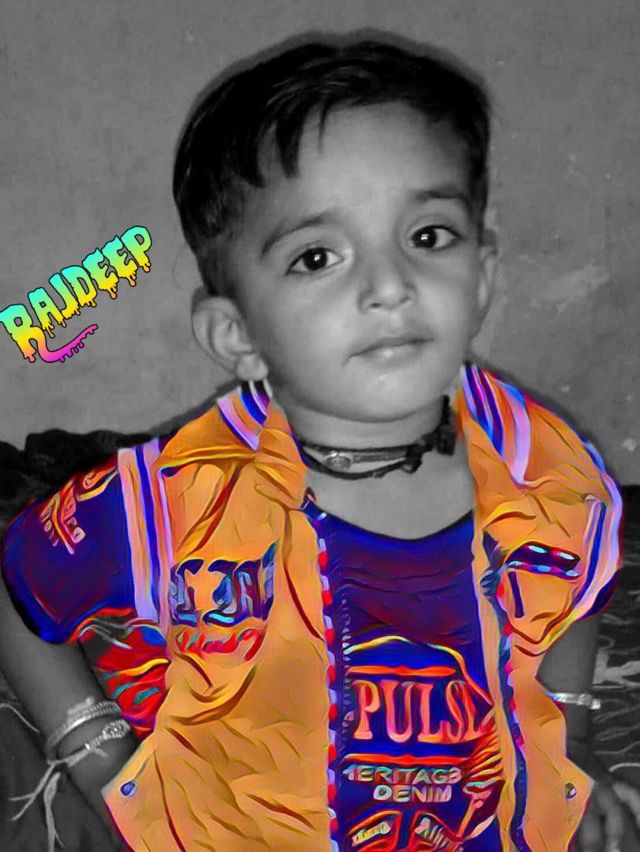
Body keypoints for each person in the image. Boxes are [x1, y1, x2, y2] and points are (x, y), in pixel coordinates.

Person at [0, 34, 637, 851]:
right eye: (317, 256)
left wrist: (571, 743)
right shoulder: (181, 495)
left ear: (482, 276)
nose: (390, 285)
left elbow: (577, 582)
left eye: (429, 236)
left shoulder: (547, 469)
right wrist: (95, 753)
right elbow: (17, 589)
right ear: (236, 334)